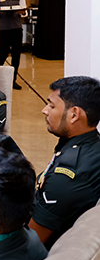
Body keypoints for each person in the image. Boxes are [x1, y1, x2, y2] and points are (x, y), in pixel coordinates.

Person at [29, 76, 100, 248]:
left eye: (52, 105)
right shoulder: (90, 145)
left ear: (74, 114)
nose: (44, 110)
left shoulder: (68, 175)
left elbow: (31, 243)